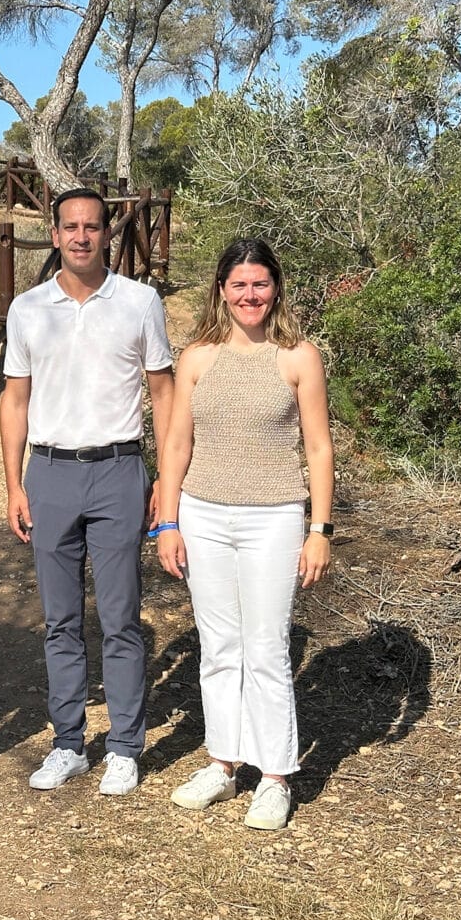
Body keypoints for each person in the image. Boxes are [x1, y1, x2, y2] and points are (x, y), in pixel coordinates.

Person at [1, 188, 175, 797]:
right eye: (70, 227)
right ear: (54, 235)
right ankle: (69, 743)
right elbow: (14, 400)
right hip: (49, 473)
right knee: (60, 621)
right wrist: (13, 484)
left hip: (118, 471)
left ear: (107, 234)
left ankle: (125, 746)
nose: (81, 237)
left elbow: (163, 394)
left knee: (123, 617)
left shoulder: (139, 302)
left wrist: (164, 481)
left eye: (93, 227)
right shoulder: (28, 309)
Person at [155, 238, 333, 831]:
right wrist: (169, 521)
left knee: (266, 649)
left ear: (274, 288)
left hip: (274, 517)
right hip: (203, 515)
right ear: (222, 290)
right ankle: (224, 762)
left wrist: (319, 530)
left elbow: (317, 448)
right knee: (219, 645)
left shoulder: (298, 357)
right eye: (239, 285)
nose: (250, 295)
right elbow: (177, 443)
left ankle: (276, 776)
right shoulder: (198, 357)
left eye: (260, 284)